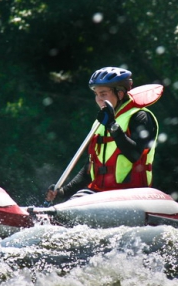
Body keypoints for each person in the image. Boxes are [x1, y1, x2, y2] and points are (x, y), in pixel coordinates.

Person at [46, 67, 159, 202]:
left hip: (131, 194)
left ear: (120, 93)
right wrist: (64, 192)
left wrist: (112, 126)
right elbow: (91, 167)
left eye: (103, 94)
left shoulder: (140, 117)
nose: (99, 99)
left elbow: (134, 155)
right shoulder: (100, 122)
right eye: (97, 94)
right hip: (100, 193)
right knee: (70, 205)